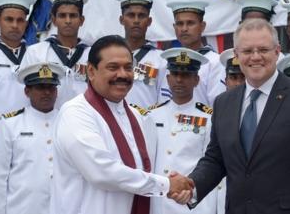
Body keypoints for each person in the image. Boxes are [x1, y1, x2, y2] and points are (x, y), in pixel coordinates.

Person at [170, 18, 290, 214]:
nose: (256, 57)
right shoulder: (224, 102)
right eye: (248, 51)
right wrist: (191, 186)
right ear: (236, 55)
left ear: (277, 52)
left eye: (263, 50)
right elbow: (216, 160)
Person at [50, 35, 193, 214]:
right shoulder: (76, 113)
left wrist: (177, 188)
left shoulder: (138, 116)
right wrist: (166, 184)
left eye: (128, 67)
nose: (123, 74)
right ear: (91, 72)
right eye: (113, 67)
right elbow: (102, 173)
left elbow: (147, 171)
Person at [0, 61, 65, 214]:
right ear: (27, 91)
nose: (47, 93)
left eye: (51, 87)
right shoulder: (10, 125)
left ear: (57, 91)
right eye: (40, 88)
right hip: (22, 208)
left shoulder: (68, 122)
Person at [149, 47, 218, 214]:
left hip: (192, 205)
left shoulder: (210, 118)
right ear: (167, 78)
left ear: (196, 80)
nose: (179, 80)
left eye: (186, 75)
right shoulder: (151, 115)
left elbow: (211, 165)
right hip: (159, 203)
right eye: (175, 74)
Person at [21, 0, 91, 108]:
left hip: (84, 121)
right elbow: (26, 92)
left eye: (73, 16)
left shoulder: (92, 54)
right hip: (48, 121)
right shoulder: (35, 52)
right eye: (62, 16)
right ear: (53, 20)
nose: (68, 21)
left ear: (81, 20)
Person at [160, 1, 226, 106]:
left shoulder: (215, 62)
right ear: (174, 27)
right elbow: (162, 101)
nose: (184, 29)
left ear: (202, 26)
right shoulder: (167, 60)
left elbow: (218, 105)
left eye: (190, 23)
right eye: (180, 24)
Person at [114, 0, 167, 108]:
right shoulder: (110, 55)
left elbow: (165, 101)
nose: (136, 20)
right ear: (121, 20)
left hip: (147, 123)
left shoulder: (161, 60)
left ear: (149, 21)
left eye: (141, 15)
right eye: (131, 15)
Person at [0, 0, 34, 116]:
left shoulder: (36, 54)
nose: (15, 25)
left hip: (28, 129)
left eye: (20, 20)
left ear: (26, 23)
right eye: (9, 19)